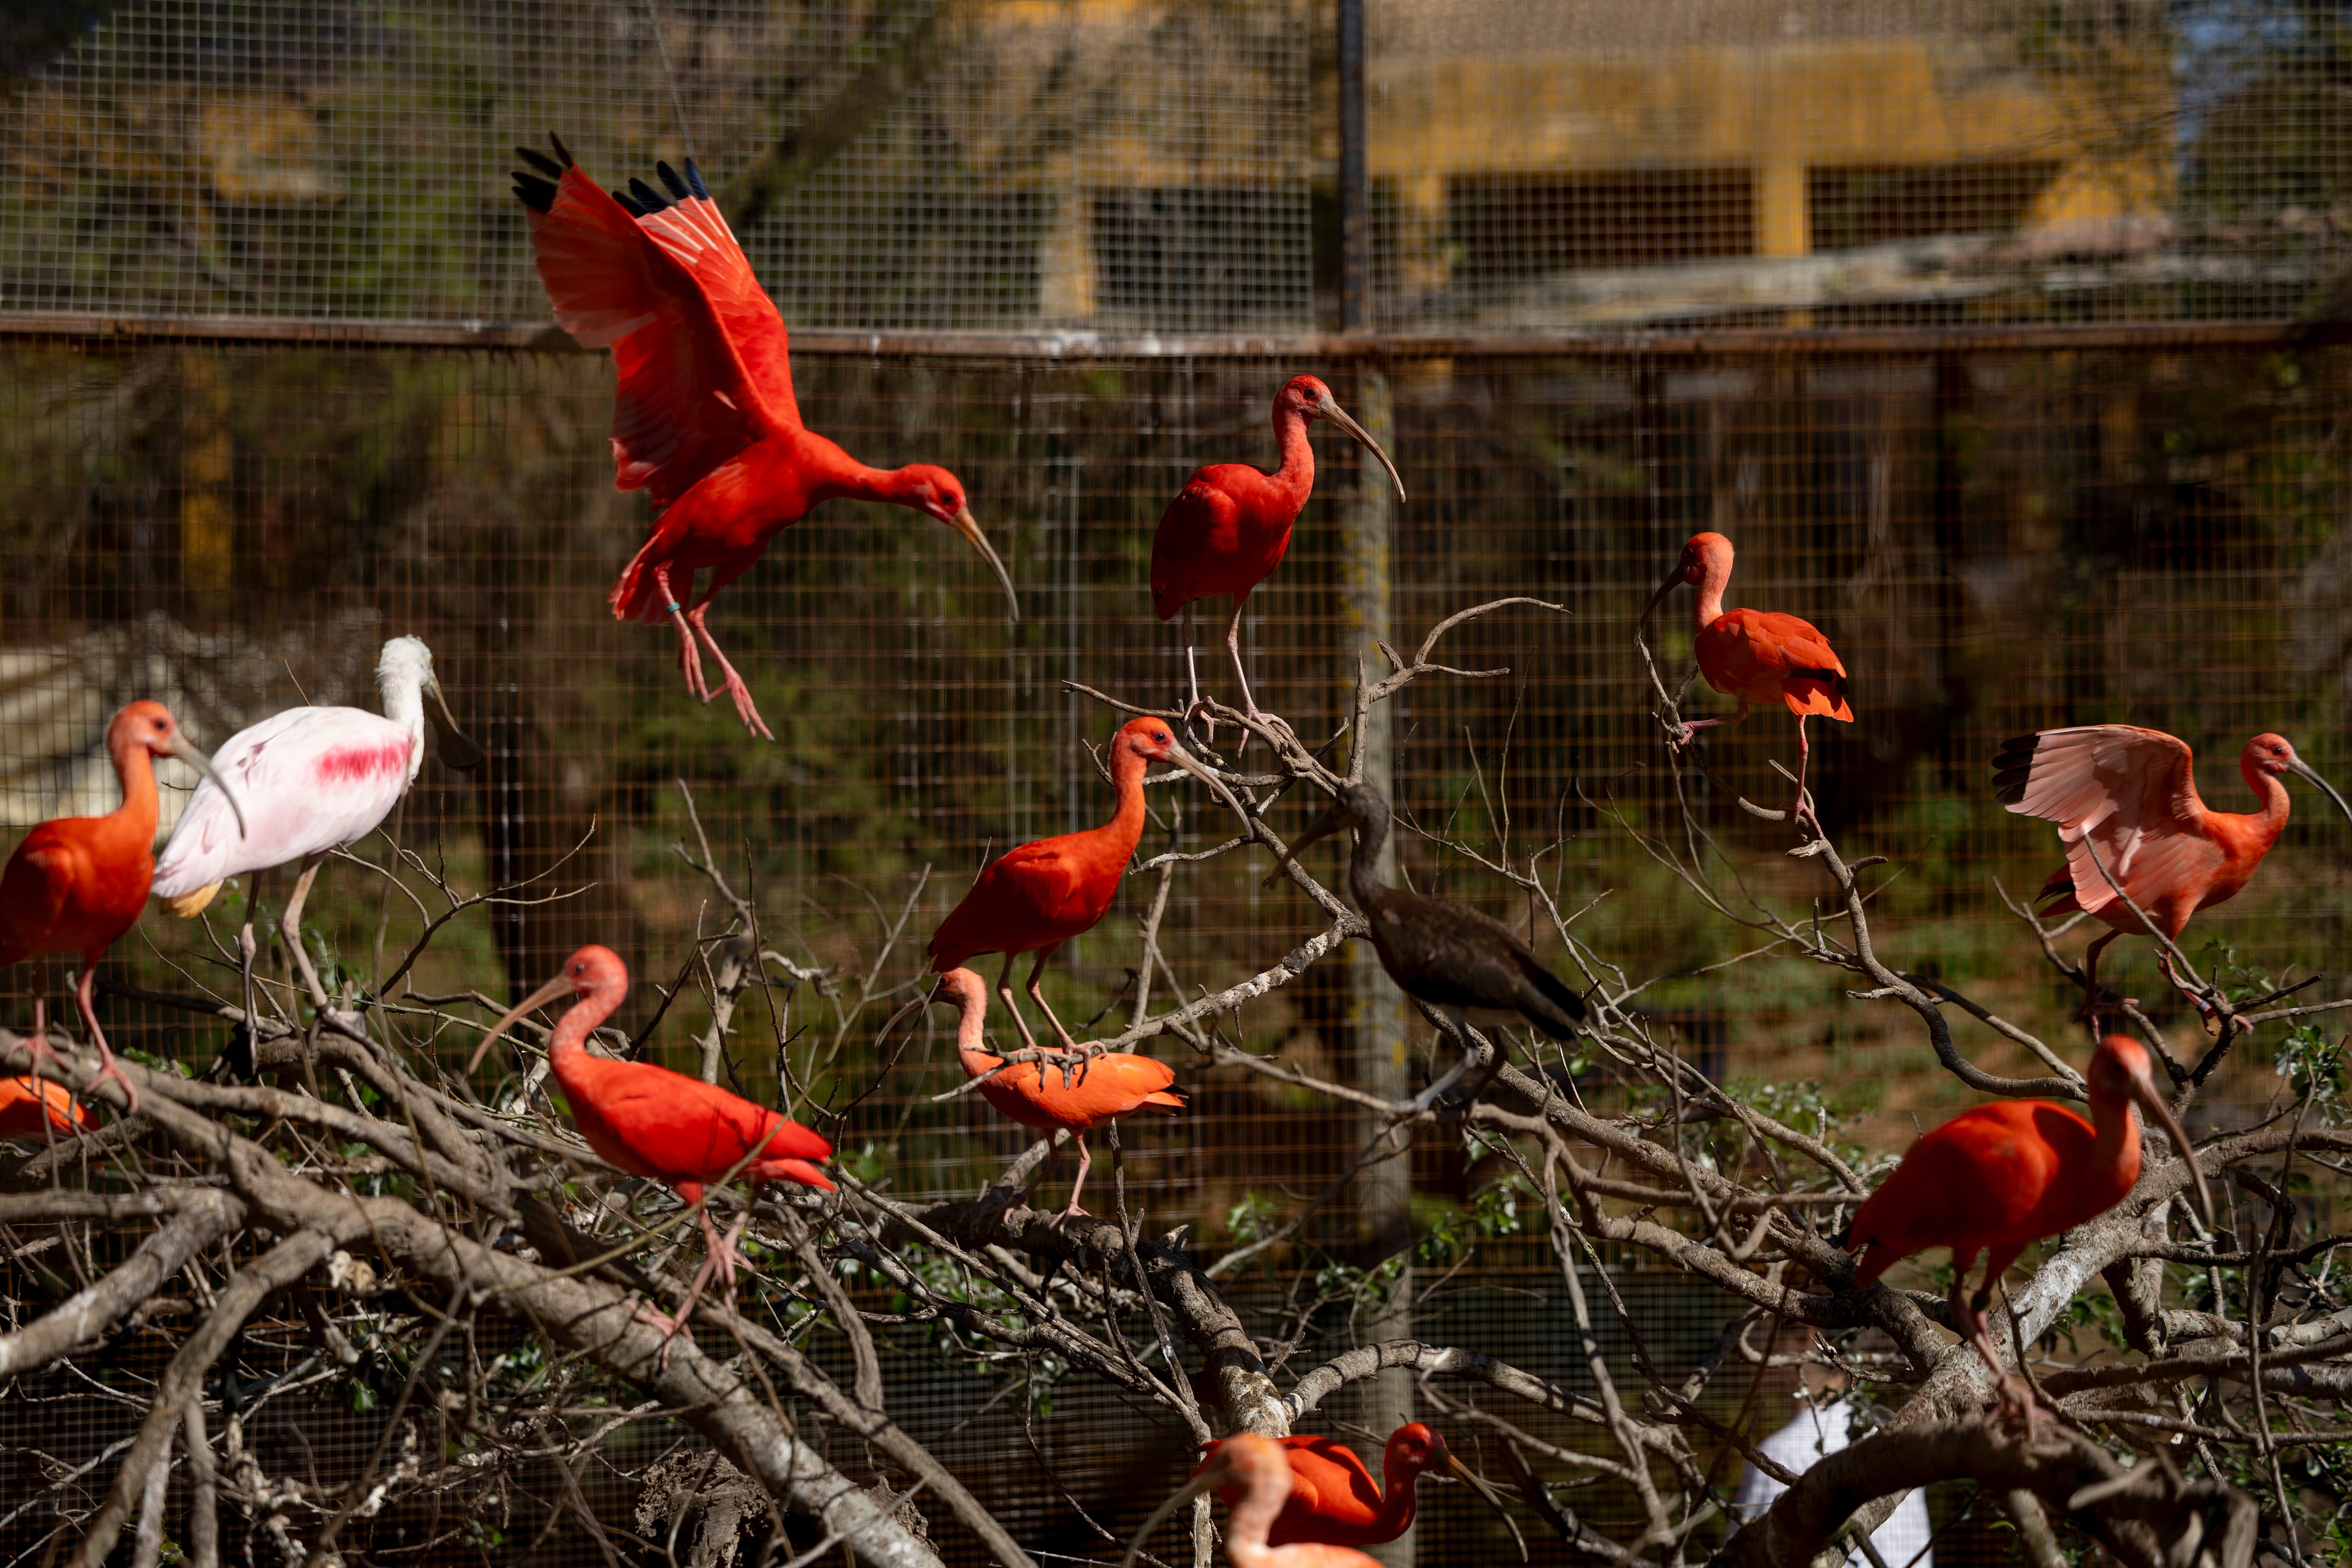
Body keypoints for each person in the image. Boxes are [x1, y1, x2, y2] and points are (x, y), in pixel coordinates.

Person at [1730, 1325, 1933, 1568]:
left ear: (1803, 1340)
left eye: (1770, 1333)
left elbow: (1741, 1558)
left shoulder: (1779, 1452)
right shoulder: (1895, 1430)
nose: (1762, 1344)